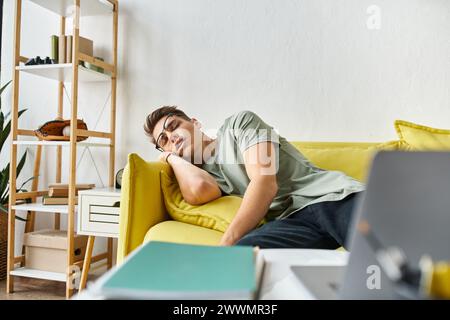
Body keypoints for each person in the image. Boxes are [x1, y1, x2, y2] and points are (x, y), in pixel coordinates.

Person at [144, 106, 364, 248]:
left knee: (383, 260)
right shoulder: (207, 175)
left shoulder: (240, 124)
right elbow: (200, 188)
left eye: (173, 126)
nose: (172, 136)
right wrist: (172, 159)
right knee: (244, 254)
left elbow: (264, 182)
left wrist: (226, 244)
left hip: (333, 198)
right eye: (163, 140)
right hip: (292, 221)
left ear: (195, 122)